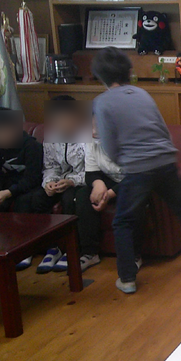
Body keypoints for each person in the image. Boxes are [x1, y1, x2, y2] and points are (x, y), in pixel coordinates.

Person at [91, 47, 181, 294]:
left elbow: (108, 144)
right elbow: (162, 129)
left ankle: (127, 278)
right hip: (164, 160)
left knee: (123, 222)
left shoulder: (102, 102)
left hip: (137, 167)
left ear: (100, 75)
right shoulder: (142, 94)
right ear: (126, 70)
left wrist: (124, 161)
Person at [29, 95, 89, 274]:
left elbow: (93, 170)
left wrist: (72, 181)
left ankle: (72, 249)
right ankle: (52, 248)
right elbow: (50, 166)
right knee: (38, 198)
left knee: (70, 199)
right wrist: (49, 182)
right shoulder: (51, 137)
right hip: (59, 180)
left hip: (80, 182)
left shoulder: (88, 136)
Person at [73, 114, 128, 273]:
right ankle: (90, 252)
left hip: (135, 182)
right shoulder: (91, 142)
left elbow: (137, 176)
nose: (93, 132)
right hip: (110, 180)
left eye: (98, 128)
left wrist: (109, 194)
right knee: (83, 194)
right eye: (90, 127)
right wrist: (98, 184)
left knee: (132, 196)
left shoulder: (129, 142)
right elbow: (91, 172)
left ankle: (134, 255)